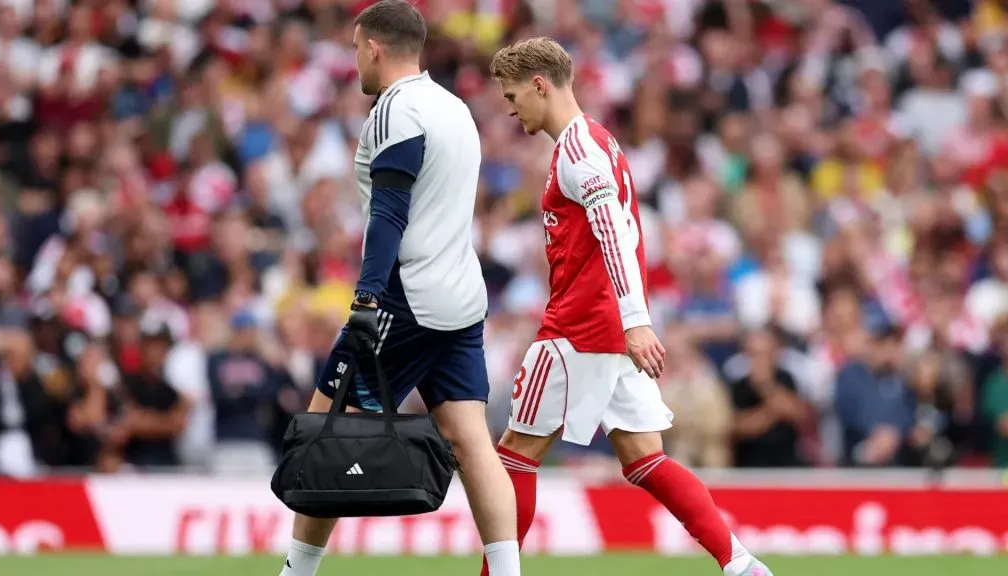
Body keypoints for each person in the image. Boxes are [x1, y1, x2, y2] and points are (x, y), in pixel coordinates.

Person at [483, 37, 774, 576]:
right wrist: (630, 323)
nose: (510, 106)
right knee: (646, 460)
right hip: (610, 330)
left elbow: (613, 231)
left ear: (541, 85)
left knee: (510, 459)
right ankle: (742, 564)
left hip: (578, 329)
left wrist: (637, 322)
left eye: (513, 94)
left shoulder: (576, 151)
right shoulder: (602, 142)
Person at [277, 2, 520, 576]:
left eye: (356, 48)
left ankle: (296, 573)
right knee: (471, 440)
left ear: (373, 47)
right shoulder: (455, 108)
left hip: (405, 297)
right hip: (461, 298)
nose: (355, 59)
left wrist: (364, 299)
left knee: (323, 430)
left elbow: (389, 213)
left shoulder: (396, 110)